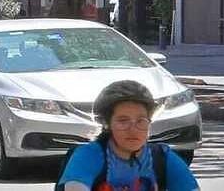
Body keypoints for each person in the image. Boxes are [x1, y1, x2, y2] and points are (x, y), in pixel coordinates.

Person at [57, 80, 199, 191]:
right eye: (123, 121)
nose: (133, 129)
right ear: (107, 124)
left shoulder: (162, 157)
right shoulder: (89, 155)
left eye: (141, 121)